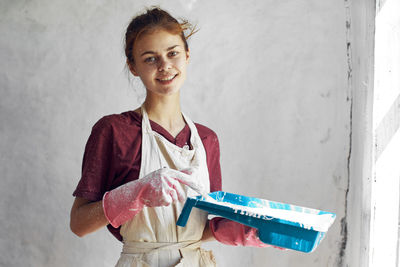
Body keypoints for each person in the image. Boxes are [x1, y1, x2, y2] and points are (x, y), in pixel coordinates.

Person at [70, 7, 267, 267]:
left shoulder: (206, 140)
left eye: (172, 53)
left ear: (187, 55)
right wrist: (135, 193)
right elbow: (79, 224)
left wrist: (239, 231)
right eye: (150, 58)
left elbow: (197, 226)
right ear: (133, 67)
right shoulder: (114, 131)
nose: (164, 66)